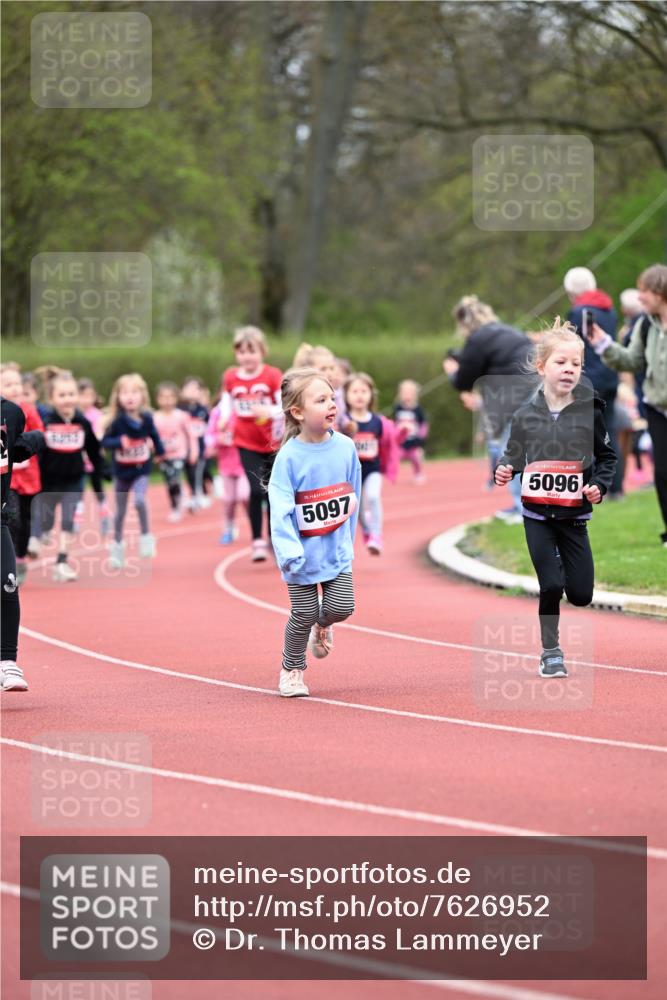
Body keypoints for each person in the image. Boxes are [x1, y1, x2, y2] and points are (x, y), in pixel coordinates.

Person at [494, 321, 616, 678]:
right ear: (542, 367)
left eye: (576, 364)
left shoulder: (590, 410)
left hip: (574, 517)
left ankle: (562, 567)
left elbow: (607, 458)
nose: (569, 370)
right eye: (561, 362)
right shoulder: (525, 414)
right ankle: (551, 652)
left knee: (580, 595)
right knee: (551, 585)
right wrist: (505, 469)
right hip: (537, 515)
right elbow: (513, 455)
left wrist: (599, 486)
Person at [268, 367, 361, 697]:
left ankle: (323, 626)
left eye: (333, 398)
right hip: (301, 555)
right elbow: (279, 510)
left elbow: (353, 493)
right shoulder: (289, 458)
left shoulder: (347, 447)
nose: (332, 405)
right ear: (298, 411)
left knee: (342, 607)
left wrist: (348, 534)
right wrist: (289, 551)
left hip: (336, 549)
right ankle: (292, 670)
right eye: (321, 400)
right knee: (303, 612)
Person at [588, 263, 667, 546]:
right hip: (658, 409)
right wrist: (603, 345)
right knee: (662, 473)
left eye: (644, 291)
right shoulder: (646, 324)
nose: (640, 297)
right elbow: (632, 361)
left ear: (659, 290)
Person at [444, 295, 533, 524]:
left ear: (464, 324)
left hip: (513, 394)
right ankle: (529, 504)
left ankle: (523, 508)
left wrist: (451, 371)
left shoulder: (478, 338)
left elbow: (464, 380)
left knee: (511, 449)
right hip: (537, 386)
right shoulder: (508, 331)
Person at [220, 326, 282, 562]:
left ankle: (273, 539)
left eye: (252, 351)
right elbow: (227, 402)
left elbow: (285, 406)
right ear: (236, 354)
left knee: (274, 493)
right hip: (245, 441)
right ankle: (257, 540)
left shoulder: (272, 375)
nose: (247, 356)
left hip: (273, 442)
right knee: (256, 490)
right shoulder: (231, 377)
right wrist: (225, 418)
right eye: (242, 352)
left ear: (262, 352)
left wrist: (269, 410)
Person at [38, 372, 106, 582]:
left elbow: (93, 449)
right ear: (52, 398)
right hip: (49, 481)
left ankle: (61, 562)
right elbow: (37, 450)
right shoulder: (46, 422)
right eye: (62, 395)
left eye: (71, 394)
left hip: (74, 480)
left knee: (68, 520)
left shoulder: (82, 422)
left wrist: (104, 469)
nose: (67, 399)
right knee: (46, 523)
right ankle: (42, 533)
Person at [564, 266, 622, 497]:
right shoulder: (609, 309)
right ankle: (615, 487)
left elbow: (574, 347)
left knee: (584, 435)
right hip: (610, 376)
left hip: (590, 379)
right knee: (609, 433)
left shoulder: (579, 312)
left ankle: (589, 486)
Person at [1, 395, 44, 691]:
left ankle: (7, 663)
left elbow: (14, 451)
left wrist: (35, 440)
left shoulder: (11, 413)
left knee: (7, 582)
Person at [102, 373, 165, 568]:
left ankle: (146, 536)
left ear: (143, 396)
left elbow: (154, 435)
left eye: (134, 392)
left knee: (139, 500)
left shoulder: (147, 418)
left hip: (141, 470)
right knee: (120, 512)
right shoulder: (116, 421)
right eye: (125, 392)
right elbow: (105, 442)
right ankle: (117, 548)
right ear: (118, 397)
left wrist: (160, 451)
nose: (130, 396)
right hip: (122, 472)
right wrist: (119, 442)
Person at [0, 365, 43, 581]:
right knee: (13, 517)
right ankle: (10, 558)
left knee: (26, 519)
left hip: (29, 476)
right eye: (8, 384)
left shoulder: (28, 410)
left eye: (18, 383)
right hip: (11, 480)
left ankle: (21, 556)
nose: (15, 388)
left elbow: (38, 433)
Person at [344, 372, 387, 554]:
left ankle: (376, 535)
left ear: (371, 395)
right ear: (346, 395)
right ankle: (368, 532)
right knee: (357, 507)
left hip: (372, 469)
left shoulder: (377, 421)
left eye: (364, 391)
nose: (360, 395)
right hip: (353, 473)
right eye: (354, 391)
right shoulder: (343, 421)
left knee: (374, 496)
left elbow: (387, 445)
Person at [205, 397, 250, 544]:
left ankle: (255, 526)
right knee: (229, 500)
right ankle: (228, 528)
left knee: (244, 495)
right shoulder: (217, 413)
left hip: (244, 462)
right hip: (226, 464)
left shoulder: (244, 409)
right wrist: (219, 439)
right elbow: (209, 437)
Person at [154, 381, 199, 522]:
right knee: (169, 483)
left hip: (179, 454)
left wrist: (193, 452)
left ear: (176, 398)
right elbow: (151, 437)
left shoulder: (182, 416)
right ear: (157, 399)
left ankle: (179, 505)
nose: (167, 401)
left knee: (175, 479)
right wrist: (155, 452)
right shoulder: (155, 417)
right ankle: (175, 504)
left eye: (170, 397)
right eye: (163, 397)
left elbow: (191, 435)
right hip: (164, 455)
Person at [394, 379, 428, 484]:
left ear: (414, 394)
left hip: (414, 441)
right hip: (401, 442)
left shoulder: (418, 410)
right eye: (404, 393)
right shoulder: (398, 408)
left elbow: (424, 424)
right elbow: (395, 423)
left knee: (416, 457)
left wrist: (421, 436)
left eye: (409, 393)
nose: (407, 395)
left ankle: (418, 474)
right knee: (395, 456)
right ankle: (391, 473)